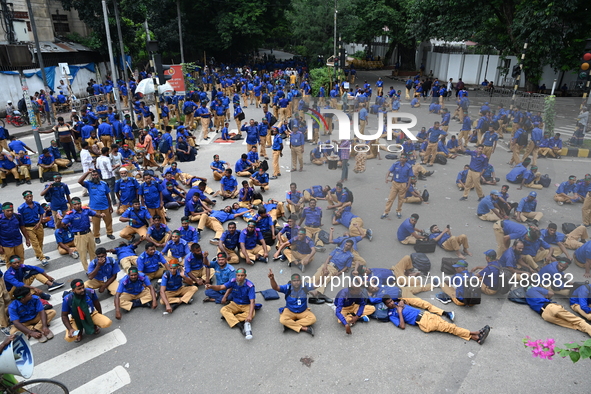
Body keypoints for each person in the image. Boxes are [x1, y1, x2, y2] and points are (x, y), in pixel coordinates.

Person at [383, 295, 490, 344]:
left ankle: (476, 338)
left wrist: (403, 303)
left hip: (427, 315)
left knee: (450, 328)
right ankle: (476, 332)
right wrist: (400, 312)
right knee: (450, 327)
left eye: (391, 301)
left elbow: (410, 302)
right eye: (389, 303)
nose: (391, 303)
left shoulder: (398, 303)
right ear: (386, 305)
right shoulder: (392, 314)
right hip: (423, 322)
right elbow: (402, 326)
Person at [205, 268, 256, 340]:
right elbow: (221, 287)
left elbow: (252, 301)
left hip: (246, 304)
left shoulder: (250, 286)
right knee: (223, 310)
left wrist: (250, 315)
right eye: (238, 275)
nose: (240, 277)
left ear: (245, 276)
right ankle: (239, 325)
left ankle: (230, 318)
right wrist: (211, 286)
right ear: (236, 275)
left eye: (242, 275)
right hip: (235, 303)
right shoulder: (233, 281)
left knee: (252, 314)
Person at [525, 287, 591, 336]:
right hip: (551, 307)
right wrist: (546, 297)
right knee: (578, 321)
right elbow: (551, 293)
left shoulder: (527, 298)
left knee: (574, 326)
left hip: (545, 315)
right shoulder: (534, 289)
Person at [268, 270, 315, 335]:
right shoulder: (288, 287)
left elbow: (316, 285)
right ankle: (304, 328)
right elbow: (275, 287)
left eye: (298, 281)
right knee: (283, 320)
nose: (296, 282)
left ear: (301, 281)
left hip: (303, 311)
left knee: (313, 319)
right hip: (290, 310)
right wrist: (272, 279)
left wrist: (323, 276)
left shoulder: (305, 286)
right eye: (294, 281)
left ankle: (290, 325)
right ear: (291, 282)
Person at [79, 170, 114, 243]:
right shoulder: (89, 183)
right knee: (96, 224)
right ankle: (96, 236)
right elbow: (80, 181)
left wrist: (110, 206)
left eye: (96, 175)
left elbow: (108, 195)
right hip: (94, 208)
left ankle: (109, 233)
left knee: (108, 221)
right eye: (93, 175)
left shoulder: (104, 184)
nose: (94, 176)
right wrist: (87, 173)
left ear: (99, 175)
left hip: (105, 207)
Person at [18, 191, 49, 265]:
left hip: (38, 225)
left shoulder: (37, 204)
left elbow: (41, 214)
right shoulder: (21, 208)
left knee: (40, 241)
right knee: (35, 243)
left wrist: (39, 223)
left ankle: (38, 255)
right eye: (27, 197)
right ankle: (42, 258)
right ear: (24, 198)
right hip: (28, 227)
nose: (29, 198)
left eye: (30, 196)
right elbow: (21, 220)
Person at [381, 154, 414, 219]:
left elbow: (410, 177)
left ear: (406, 159)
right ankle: (386, 212)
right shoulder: (395, 164)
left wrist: (408, 186)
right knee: (390, 198)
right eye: (401, 158)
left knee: (401, 199)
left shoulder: (408, 167)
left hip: (403, 184)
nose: (402, 159)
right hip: (395, 183)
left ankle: (398, 211)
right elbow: (389, 171)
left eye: (403, 158)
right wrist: (386, 178)